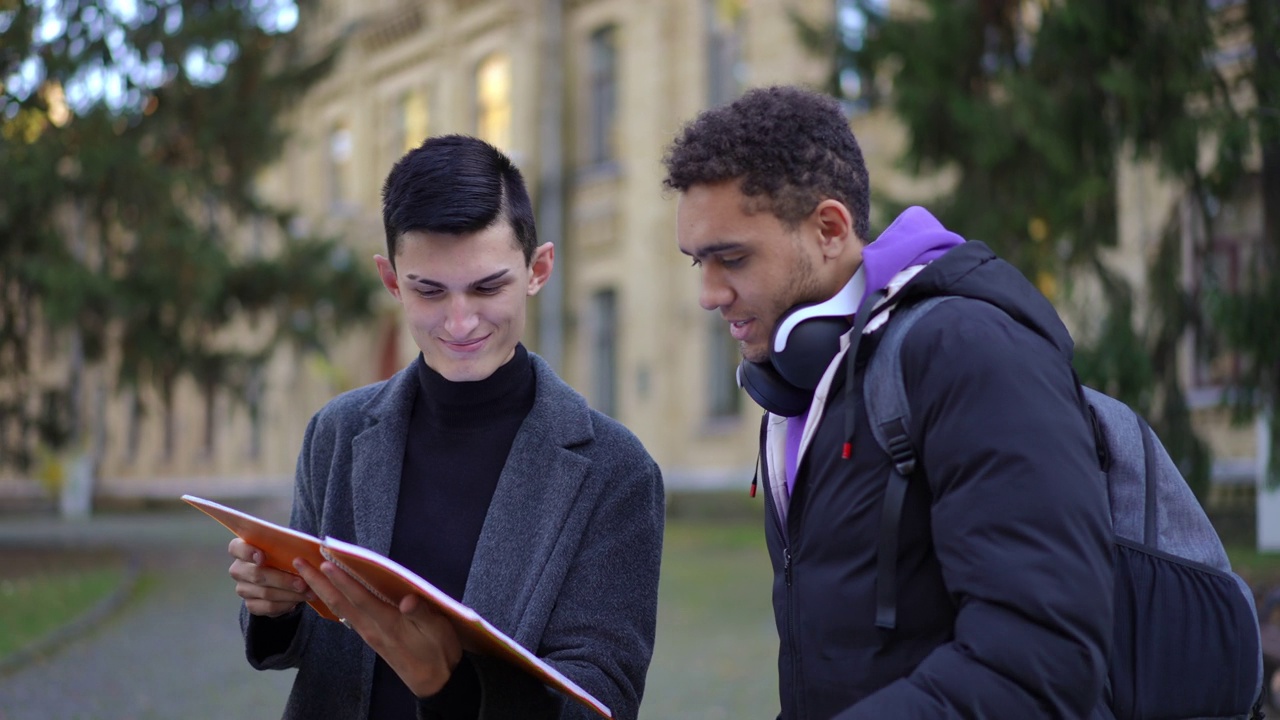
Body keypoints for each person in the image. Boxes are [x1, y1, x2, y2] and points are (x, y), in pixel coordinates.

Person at [662, 85, 1114, 718]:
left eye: (731, 258)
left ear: (828, 228)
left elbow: (1041, 661)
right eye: (697, 263)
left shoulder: (971, 353)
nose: (710, 294)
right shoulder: (803, 386)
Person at [227, 134, 665, 720]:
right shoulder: (336, 432)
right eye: (429, 291)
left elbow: (603, 700)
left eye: (488, 287)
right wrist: (273, 609)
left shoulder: (617, 470)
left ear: (538, 269)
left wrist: (451, 687)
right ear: (391, 280)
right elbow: (312, 646)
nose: (460, 323)